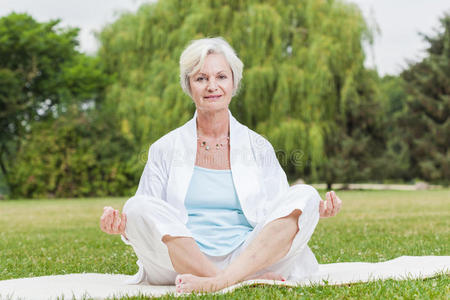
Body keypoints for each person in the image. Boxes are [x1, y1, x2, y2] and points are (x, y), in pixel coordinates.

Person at [99, 37, 342, 294]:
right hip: (182, 260)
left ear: (234, 83)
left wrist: (312, 211)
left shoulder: (258, 146)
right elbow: (148, 217)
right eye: (201, 78)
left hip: (249, 254)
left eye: (221, 77)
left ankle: (219, 281)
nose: (212, 86)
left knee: (305, 194)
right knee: (135, 205)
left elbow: (279, 212)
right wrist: (122, 226)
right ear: (188, 86)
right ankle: (234, 280)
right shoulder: (164, 148)